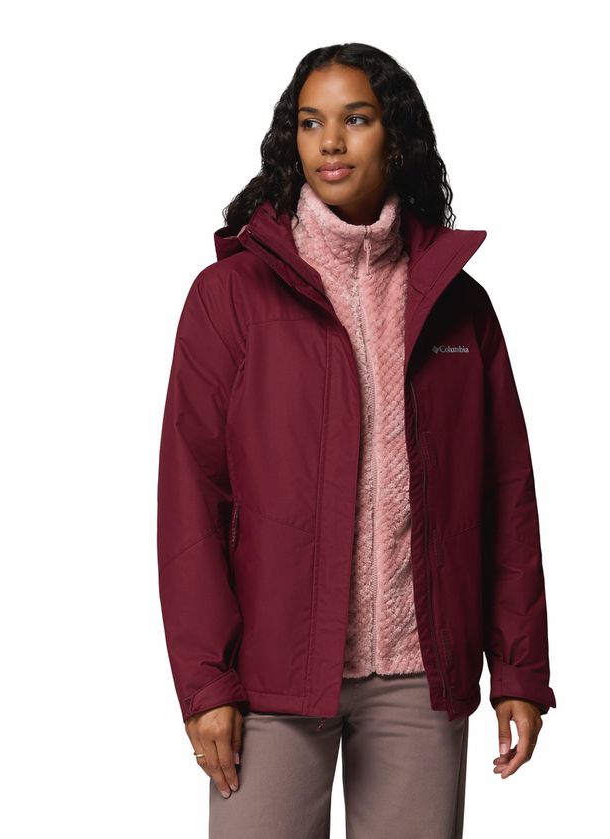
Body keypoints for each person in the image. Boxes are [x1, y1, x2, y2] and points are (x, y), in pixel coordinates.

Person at [156, 42, 557, 839]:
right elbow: (191, 497)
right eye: (311, 123)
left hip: (421, 671)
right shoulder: (230, 296)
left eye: (356, 119)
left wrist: (519, 666)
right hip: (271, 675)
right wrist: (206, 682)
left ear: (396, 137)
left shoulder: (459, 305)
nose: (330, 142)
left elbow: (505, 492)